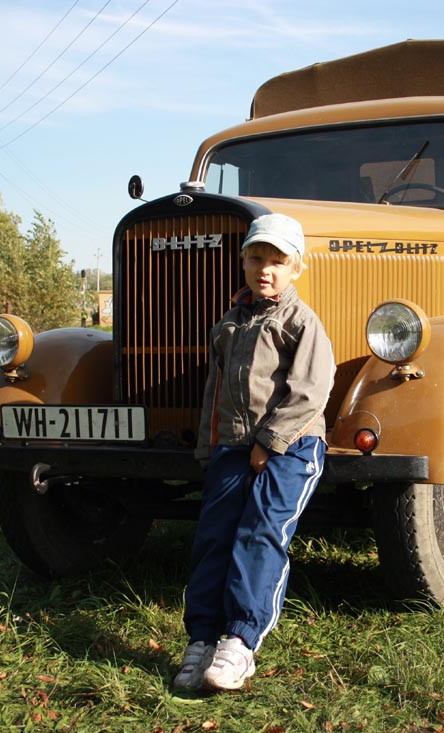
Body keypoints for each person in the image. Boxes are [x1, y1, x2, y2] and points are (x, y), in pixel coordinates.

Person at [173, 213, 336, 693]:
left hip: (291, 445)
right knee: (214, 536)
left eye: (277, 261)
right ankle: (202, 639)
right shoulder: (229, 324)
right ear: (243, 261)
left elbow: (311, 389)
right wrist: (209, 446)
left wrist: (269, 443)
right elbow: (215, 391)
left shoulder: (301, 322)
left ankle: (240, 642)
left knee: (260, 532)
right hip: (233, 444)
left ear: (295, 268)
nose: (266, 269)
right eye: (257, 258)